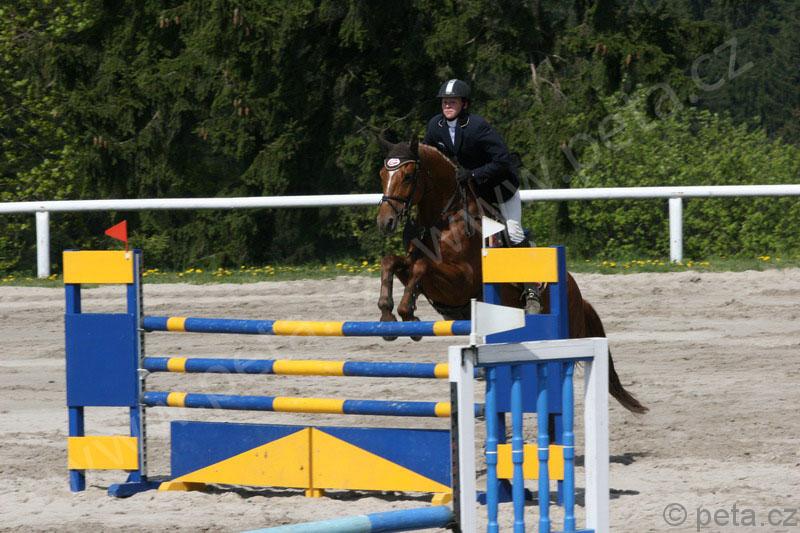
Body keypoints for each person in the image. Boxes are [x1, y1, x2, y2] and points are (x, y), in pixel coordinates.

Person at [423, 78, 540, 313]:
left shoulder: (478, 127)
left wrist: (474, 173)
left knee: (513, 232)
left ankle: (531, 290)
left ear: (464, 104)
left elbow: (503, 160)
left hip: (499, 188)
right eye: (445, 102)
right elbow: (429, 157)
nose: (447, 105)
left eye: (453, 102)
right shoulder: (435, 126)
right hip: (469, 191)